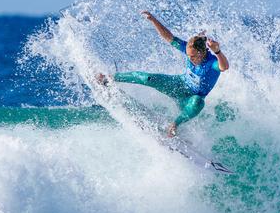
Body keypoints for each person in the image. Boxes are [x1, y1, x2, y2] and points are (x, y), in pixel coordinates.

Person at [96, 10, 229, 137]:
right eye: (188, 55)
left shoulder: (212, 63)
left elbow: (224, 66)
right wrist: (153, 20)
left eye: (193, 56)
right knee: (148, 78)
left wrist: (217, 52)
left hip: (189, 100)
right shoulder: (190, 51)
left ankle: (175, 124)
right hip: (178, 85)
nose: (190, 59)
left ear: (202, 53)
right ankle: (109, 78)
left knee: (198, 102)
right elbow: (169, 37)